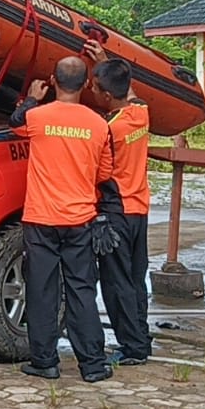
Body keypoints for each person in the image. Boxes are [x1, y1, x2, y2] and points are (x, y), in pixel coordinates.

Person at [9, 56, 115, 383]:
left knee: (42, 291)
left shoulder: (37, 118)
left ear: (53, 81)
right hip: (81, 220)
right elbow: (105, 173)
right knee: (82, 290)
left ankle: (45, 362)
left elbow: (15, 123)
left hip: (41, 220)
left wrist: (31, 97)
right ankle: (93, 365)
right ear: (86, 85)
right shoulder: (99, 124)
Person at [84, 39, 153, 366]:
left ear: (107, 97)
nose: (93, 91)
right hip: (139, 210)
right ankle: (141, 337)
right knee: (136, 279)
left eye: (96, 88)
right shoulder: (141, 114)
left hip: (116, 212)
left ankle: (133, 348)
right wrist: (104, 60)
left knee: (116, 284)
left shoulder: (108, 129)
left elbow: (100, 174)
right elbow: (130, 90)